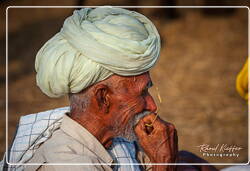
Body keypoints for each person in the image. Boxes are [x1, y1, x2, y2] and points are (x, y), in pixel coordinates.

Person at [2, 7, 218, 171]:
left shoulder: (115, 138)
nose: (152, 105)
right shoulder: (66, 163)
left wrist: (178, 159)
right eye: (142, 93)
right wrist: (164, 166)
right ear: (103, 98)